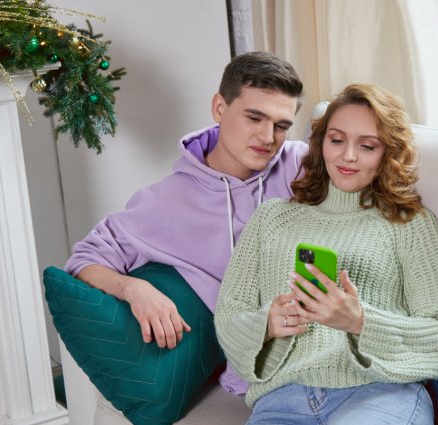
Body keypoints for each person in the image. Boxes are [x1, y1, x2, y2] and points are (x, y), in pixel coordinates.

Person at [214, 83, 438, 425]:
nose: (348, 156)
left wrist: (360, 321)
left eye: (367, 146)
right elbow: (228, 318)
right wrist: (265, 325)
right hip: (279, 405)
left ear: (387, 153)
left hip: (378, 395)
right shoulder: (271, 218)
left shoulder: (409, 223)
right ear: (321, 144)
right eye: (337, 140)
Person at [64, 51, 306, 394]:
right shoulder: (163, 202)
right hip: (267, 374)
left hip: (330, 346)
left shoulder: (300, 164)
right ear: (219, 108)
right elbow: (84, 260)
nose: (268, 137)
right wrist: (135, 289)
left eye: (281, 125)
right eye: (255, 117)